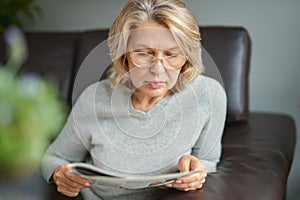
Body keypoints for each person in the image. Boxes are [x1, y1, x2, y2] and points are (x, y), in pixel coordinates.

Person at [41, 0, 227, 199]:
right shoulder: (94, 99)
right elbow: (54, 158)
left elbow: (208, 160)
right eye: (143, 53)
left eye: (172, 54)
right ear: (123, 54)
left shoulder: (209, 95)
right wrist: (58, 173)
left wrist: (198, 171)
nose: (157, 69)